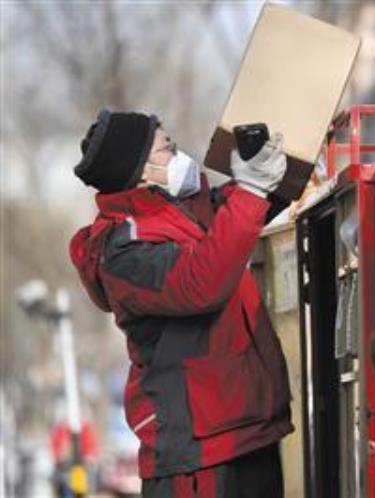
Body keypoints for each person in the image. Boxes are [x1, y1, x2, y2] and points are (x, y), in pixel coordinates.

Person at [69, 110, 293, 498]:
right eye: (167, 148)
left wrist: (274, 169)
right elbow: (201, 282)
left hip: (243, 431)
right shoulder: (123, 251)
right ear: (141, 172)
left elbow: (247, 209)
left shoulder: (186, 213)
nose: (178, 153)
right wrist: (252, 191)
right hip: (196, 454)